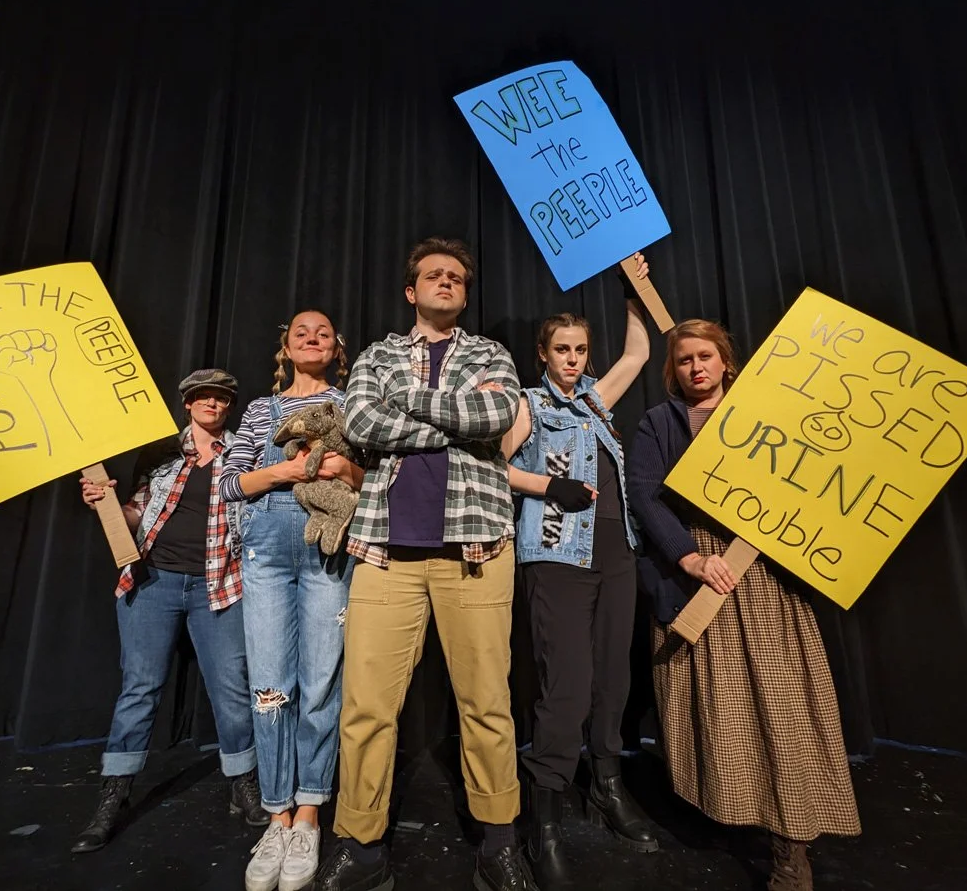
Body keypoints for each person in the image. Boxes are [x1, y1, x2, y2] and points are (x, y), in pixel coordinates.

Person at [313, 237, 537, 891]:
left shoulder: (488, 354)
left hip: (477, 548)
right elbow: (360, 423)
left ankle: (499, 842)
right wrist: (452, 422)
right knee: (366, 707)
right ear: (411, 291)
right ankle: (361, 845)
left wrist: (405, 404)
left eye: (457, 278)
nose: (447, 283)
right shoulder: (379, 355)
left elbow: (497, 414)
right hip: (385, 551)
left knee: (488, 704)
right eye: (434, 276)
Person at [626, 320, 861, 891]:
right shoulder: (659, 422)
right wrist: (688, 558)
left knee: (787, 714)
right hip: (702, 574)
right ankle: (739, 810)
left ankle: (791, 845)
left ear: (726, 361)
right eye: (684, 361)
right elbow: (644, 493)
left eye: (705, 356)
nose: (696, 368)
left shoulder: (768, 413)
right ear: (672, 370)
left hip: (767, 577)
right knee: (726, 709)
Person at [500, 254, 658, 889]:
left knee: (614, 680)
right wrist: (547, 486)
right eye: (561, 348)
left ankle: (608, 785)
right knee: (565, 687)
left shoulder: (595, 400)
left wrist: (632, 284)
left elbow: (641, 353)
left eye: (580, 349)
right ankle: (545, 817)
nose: (572, 358)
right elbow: (492, 467)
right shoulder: (527, 405)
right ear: (543, 353)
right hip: (558, 559)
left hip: (617, 557)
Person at [72, 368, 267, 854]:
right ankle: (112, 798)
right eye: (203, 397)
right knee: (139, 688)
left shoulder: (243, 452)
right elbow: (137, 515)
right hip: (153, 582)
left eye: (222, 398)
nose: (213, 404)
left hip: (217, 585)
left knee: (231, 687)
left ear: (229, 406)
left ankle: (242, 785)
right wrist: (104, 503)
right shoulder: (161, 454)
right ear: (188, 404)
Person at [221, 312, 364, 891]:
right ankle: (275, 815)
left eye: (324, 332)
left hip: (328, 550)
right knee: (271, 682)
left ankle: (308, 813)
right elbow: (233, 482)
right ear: (286, 345)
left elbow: (369, 476)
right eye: (301, 331)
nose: (312, 338)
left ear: (335, 348)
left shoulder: (352, 406)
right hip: (268, 553)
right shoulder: (261, 410)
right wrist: (289, 468)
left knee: (323, 679)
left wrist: (341, 468)